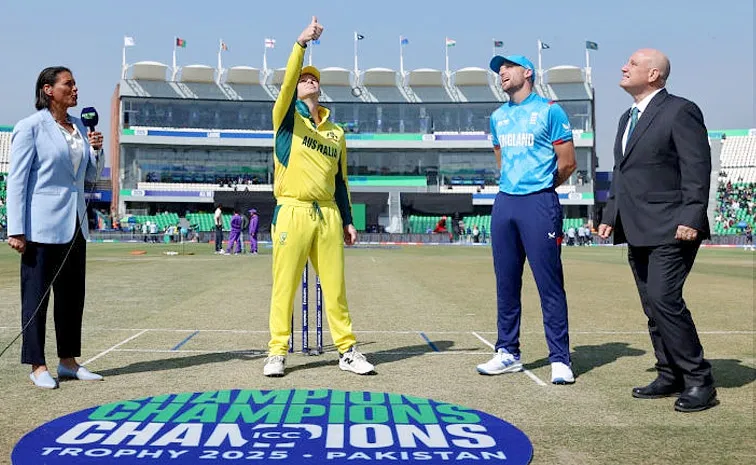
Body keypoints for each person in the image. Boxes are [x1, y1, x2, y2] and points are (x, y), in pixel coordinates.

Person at [598, 49, 717, 412]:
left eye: (632, 64)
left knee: (666, 299)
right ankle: (669, 373)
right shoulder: (626, 117)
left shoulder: (680, 110)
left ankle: (699, 380)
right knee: (653, 305)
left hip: (672, 225)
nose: (623, 67)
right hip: (635, 226)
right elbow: (623, 173)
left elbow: (697, 166)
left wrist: (691, 217)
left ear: (653, 75)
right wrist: (609, 214)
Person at [263, 16, 374, 377]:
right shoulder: (285, 119)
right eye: (302, 78)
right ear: (294, 89)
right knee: (285, 287)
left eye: (313, 78)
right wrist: (301, 43)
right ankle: (277, 352)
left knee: (336, 288)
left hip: (327, 213)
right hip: (292, 210)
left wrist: (348, 219)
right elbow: (287, 81)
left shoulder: (336, 132)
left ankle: (347, 350)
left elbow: (341, 181)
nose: (307, 80)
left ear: (319, 89)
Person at [476, 54, 577, 385]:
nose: (501, 72)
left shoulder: (550, 110)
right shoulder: (497, 117)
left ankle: (560, 358)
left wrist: (541, 188)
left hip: (539, 203)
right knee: (505, 282)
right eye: (498, 70)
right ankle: (507, 351)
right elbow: (501, 161)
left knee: (549, 283)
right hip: (505, 203)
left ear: (527, 72)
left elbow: (567, 163)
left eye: (508, 67)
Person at [6, 66, 105, 389]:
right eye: (68, 84)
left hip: (75, 224)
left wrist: (97, 149)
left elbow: (90, 176)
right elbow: (18, 181)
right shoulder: (30, 127)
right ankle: (37, 365)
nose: (75, 89)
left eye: (76, 84)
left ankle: (68, 362)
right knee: (36, 298)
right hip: (40, 227)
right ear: (49, 90)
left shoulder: (78, 126)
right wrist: (16, 229)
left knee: (72, 297)